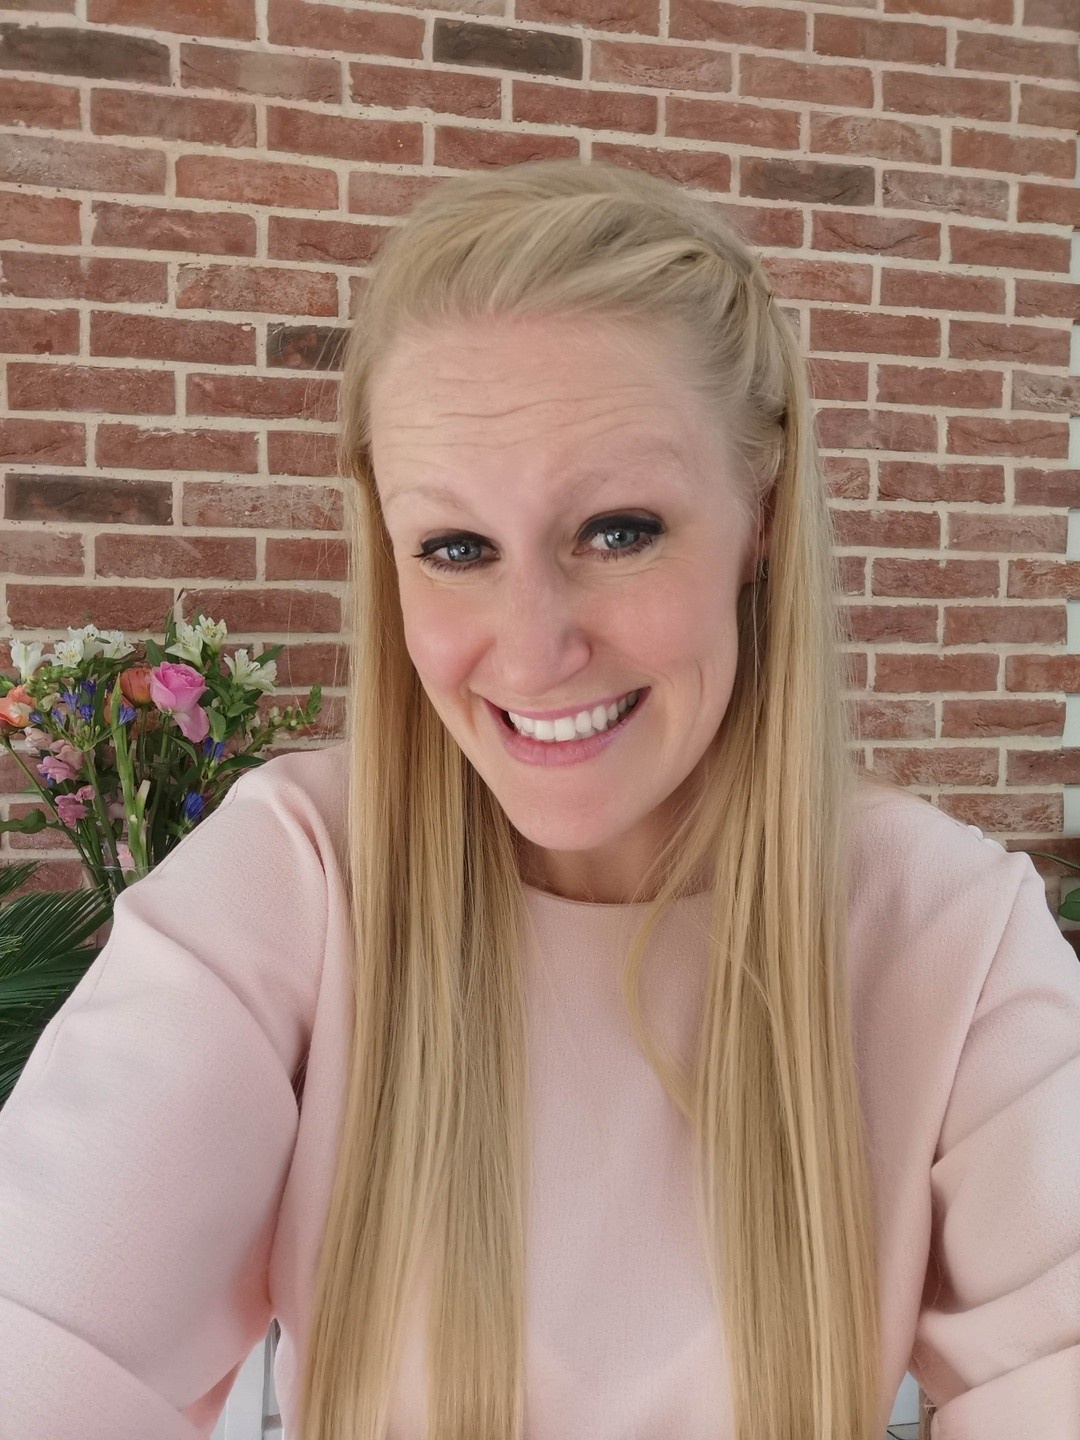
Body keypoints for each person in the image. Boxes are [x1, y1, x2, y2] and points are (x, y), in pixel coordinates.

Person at [0, 159, 1077, 1440]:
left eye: (618, 531)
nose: (533, 651)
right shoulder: (296, 879)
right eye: (457, 549)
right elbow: (42, 1332)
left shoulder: (948, 933)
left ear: (762, 515)